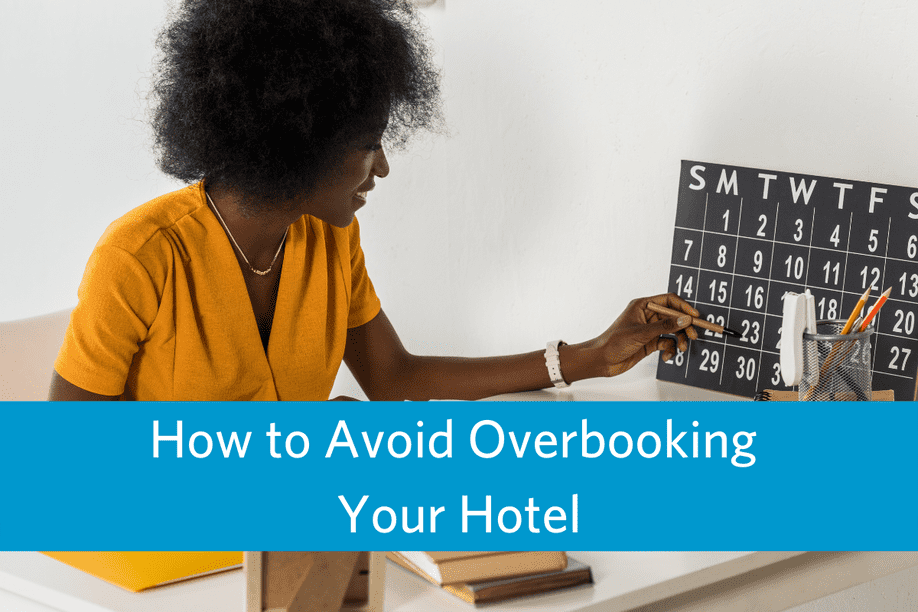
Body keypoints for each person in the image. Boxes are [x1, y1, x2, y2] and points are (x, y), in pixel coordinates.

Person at [49, 0, 698, 402]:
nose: (382, 166)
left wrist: (588, 356)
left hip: (293, 553)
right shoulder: (140, 255)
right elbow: (67, 469)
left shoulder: (330, 241)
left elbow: (395, 380)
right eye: (367, 144)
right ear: (297, 142)